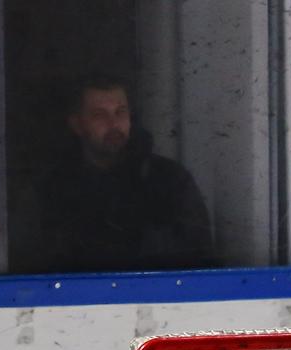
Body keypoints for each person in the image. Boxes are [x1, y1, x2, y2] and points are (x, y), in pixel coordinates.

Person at [28, 75, 215, 273]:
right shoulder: (53, 189)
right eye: (99, 115)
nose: (113, 123)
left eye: (120, 112)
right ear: (77, 124)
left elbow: (199, 261)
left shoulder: (170, 180)